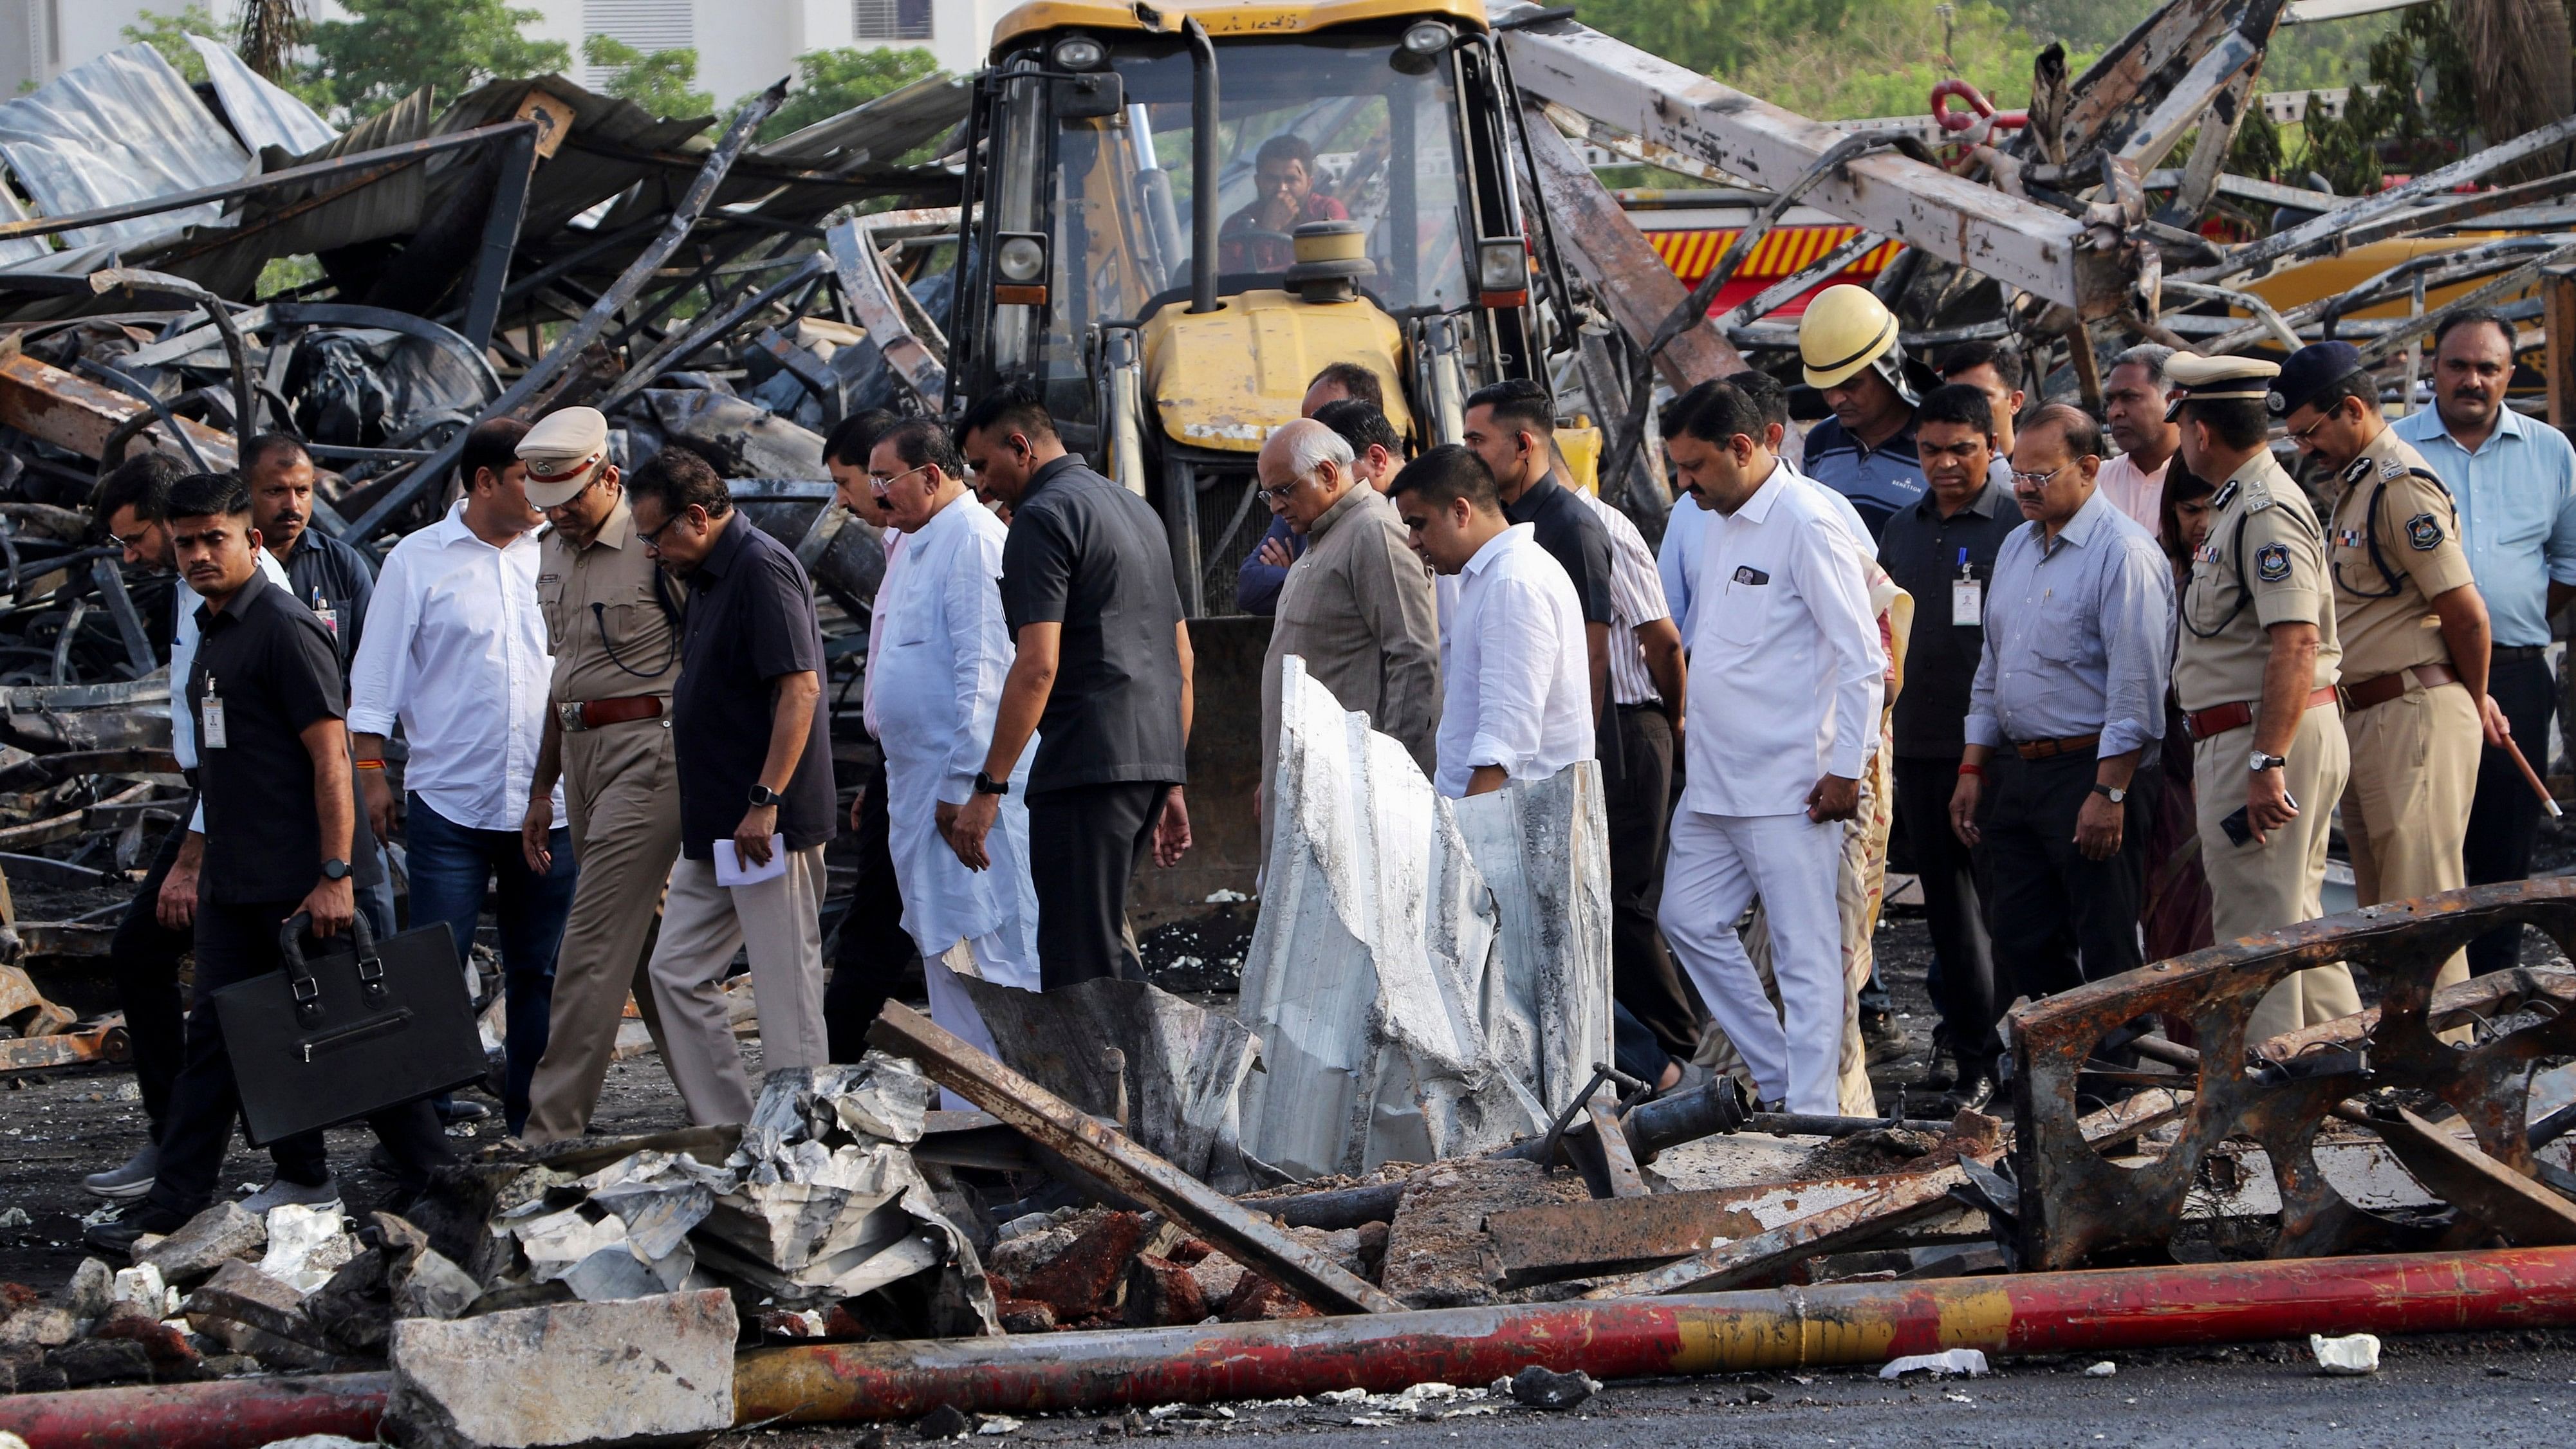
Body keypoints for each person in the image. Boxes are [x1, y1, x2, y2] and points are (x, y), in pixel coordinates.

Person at [86, 474, 455, 1255]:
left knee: (358, 1037)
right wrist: (202, 860)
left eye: (212, 538)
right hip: (235, 877)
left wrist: (334, 873)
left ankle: (443, 1177)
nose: (196, 555)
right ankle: (185, 1198)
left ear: (250, 540)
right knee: (219, 1039)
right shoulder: (215, 630)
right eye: (184, 542)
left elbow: (332, 757)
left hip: (299, 878)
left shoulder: (285, 627)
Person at [1657, 382, 1885, 1115]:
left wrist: (1847, 770)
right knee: (1685, 918)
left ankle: (1814, 1116)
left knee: (1806, 957)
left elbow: (1862, 659)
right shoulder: (1716, 517)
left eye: (1695, 465)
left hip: (1793, 785)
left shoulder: (1807, 522)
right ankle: (1782, 1075)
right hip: (1716, 782)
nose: (1684, 483)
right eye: (1678, 467)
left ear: (1747, 446)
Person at [82, 456, 300, 1204]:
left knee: (227, 988)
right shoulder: (192, 592)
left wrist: (192, 858)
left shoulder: (261, 601)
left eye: (138, 536)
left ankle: (300, 1166)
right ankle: (195, 1155)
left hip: (242, 815)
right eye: (172, 543)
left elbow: (272, 744)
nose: (131, 555)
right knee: (227, 997)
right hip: (215, 802)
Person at [349, 420, 576, 1138]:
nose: (546, 490)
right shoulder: (417, 562)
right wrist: (372, 774)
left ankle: (530, 1123)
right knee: (436, 970)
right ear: (483, 481)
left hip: (551, 805)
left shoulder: (563, 555)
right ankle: (425, 1130)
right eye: (528, 476)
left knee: (540, 970)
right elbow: (375, 678)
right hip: (449, 803)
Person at [949, 385, 1192, 988]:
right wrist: (1171, 778)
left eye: (982, 465)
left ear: (1021, 446)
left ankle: (1106, 1085)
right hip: (1144, 763)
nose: (979, 485)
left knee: (1078, 964)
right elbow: (1182, 656)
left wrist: (988, 787)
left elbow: (1036, 665)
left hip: (1087, 765)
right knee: (1102, 942)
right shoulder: (1135, 509)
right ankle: (1146, 1081)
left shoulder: (1042, 516)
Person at [2274, 341, 2496, 999]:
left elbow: (2466, 614)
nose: (2306, 450)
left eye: (2310, 433)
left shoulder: (2399, 486)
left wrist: (2473, 700)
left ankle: (2446, 1069)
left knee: (2419, 907)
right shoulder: (2357, 485)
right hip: (2370, 715)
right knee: (2382, 916)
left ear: (2350, 409)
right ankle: (2408, 1061)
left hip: (2414, 712)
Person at [626, 447, 835, 1122]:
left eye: (655, 535)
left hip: (761, 818)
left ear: (695, 517)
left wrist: (765, 799)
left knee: (785, 984)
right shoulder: (709, 574)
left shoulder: (760, 567)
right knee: (676, 971)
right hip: (719, 820)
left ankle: (802, 1136)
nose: (651, 550)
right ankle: (732, 1126)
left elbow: (799, 690)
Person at [1951, 405, 2175, 1031]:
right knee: (2021, 938)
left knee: (2105, 942)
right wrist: (1974, 764)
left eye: (2040, 475)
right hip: (2020, 771)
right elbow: (1992, 666)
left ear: (2088, 468)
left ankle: (2116, 1103)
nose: (2023, 487)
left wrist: (2109, 790)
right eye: (2017, 473)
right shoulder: (2018, 546)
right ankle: (2065, 1087)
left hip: (2091, 768)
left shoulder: (2123, 554)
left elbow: (2136, 689)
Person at [2166, 353, 2358, 1041]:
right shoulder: (2244, 505)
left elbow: (2296, 643)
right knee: (2294, 917)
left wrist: (2264, 762)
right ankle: (2355, 1075)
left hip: (2262, 736)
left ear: (2199, 431)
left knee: (2258, 931)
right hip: (2267, 732)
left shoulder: (2263, 509)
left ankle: (2271, 1095)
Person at [513, 407, 685, 1144]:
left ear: (608, 478)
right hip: (580, 755)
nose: (562, 520)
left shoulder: (656, 549)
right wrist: (541, 787)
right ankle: (729, 1107)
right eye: (546, 507)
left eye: (572, 503)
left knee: (587, 940)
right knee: (645, 947)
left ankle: (549, 1130)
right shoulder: (551, 550)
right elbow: (563, 679)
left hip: (651, 751)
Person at [2392, 309, 2576, 975]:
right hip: (2422, 678)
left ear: (2508, 374)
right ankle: (2429, 997)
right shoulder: (2394, 450)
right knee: (2426, 840)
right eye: (2457, 365)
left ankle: (2496, 992)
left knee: (2505, 844)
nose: (2471, 379)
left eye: (2487, 368)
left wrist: (2497, 629)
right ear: (2434, 369)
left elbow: (2566, 568)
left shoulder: (2550, 451)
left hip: (2518, 677)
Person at [866, 418, 1041, 1092]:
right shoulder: (914, 542)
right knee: (945, 951)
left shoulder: (971, 539)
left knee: (995, 952)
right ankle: (970, 1112)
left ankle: (1019, 1117)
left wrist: (971, 786)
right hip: (920, 789)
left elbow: (987, 675)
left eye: (887, 480)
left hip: (967, 796)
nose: (878, 494)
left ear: (931, 475)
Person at [1873, 383, 2017, 1101]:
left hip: (2001, 752)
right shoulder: (1902, 528)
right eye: (1930, 449)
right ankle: (1974, 1061)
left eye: (1962, 448)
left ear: (1992, 445)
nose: (1945, 463)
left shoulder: (2017, 524)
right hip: (1922, 749)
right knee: (1951, 922)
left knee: (2013, 915)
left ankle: (2032, 1056)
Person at [1384, 445, 1590, 798]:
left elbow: (1506, 738)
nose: (1412, 541)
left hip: (1511, 826)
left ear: (1461, 511)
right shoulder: (1494, 575)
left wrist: (1466, 839)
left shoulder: (1511, 581)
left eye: (1418, 524)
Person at [1575, 468, 1695, 1064]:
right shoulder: (1529, 529)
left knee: (1627, 901)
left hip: (1631, 722)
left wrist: (1672, 723)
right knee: (1601, 900)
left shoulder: (1602, 528)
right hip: (1592, 729)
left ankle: (1676, 1049)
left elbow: (1663, 641)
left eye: (1479, 442)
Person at [1254, 418, 1440, 791]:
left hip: (1350, 787)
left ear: (1327, 473)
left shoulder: (1373, 532)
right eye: (1268, 494)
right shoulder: (1321, 536)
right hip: (1307, 780)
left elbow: (1415, 657)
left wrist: (1390, 776)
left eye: (1283, 491)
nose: (1275, 506)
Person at [817, 411, 922, 1057]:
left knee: (880, 924)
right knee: (878, 921)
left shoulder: (956, 542)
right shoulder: (899, 544)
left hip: (939, 775)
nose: (842, 498)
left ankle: (837, 1060)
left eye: (847, 479)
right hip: (902, 767)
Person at [1460, 379, 1615, 724]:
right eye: (1466, 440)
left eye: (1477, 441)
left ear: (1523, 445)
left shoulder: (1573, 527)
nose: (1467, 454)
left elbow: (1592, 656)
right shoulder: (1503, 521)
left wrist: (1575, 766)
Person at [1237, 364, 1393, 615]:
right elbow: (1249, 586)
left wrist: (1298, 574)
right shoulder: (1301, 512)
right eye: (1307, 422)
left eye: (1326, 423)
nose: (1311, 434)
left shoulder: (1388, 525)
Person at [1799, 284, 1926, 539]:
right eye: (1825, 388)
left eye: (1851, 385)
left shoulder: (1936, 444)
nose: (1835, 400)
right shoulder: (1820, 443)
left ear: (1888, 371)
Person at [1218, 133, 1348, 273]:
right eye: (1272, 179)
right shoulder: (1236, 225)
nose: (1282, 188)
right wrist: (1269, 229)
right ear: (1258, 182)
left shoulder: (1327, 213)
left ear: (1309, 183)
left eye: (1292, 180)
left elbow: (1332, 269)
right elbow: (1234, 280)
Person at [2097, 344, 2184, 538]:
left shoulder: (2205, 480)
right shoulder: (2096, 482)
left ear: (2172, 401)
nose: (2114, 412)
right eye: (2110, 401)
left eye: (2130, 398)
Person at [1937, 339, 2027, 464]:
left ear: (2015, 402)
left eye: (1981, 395)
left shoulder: (2036, 477)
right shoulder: (1929, 468)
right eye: (1955, 395)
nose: (1965, 407)